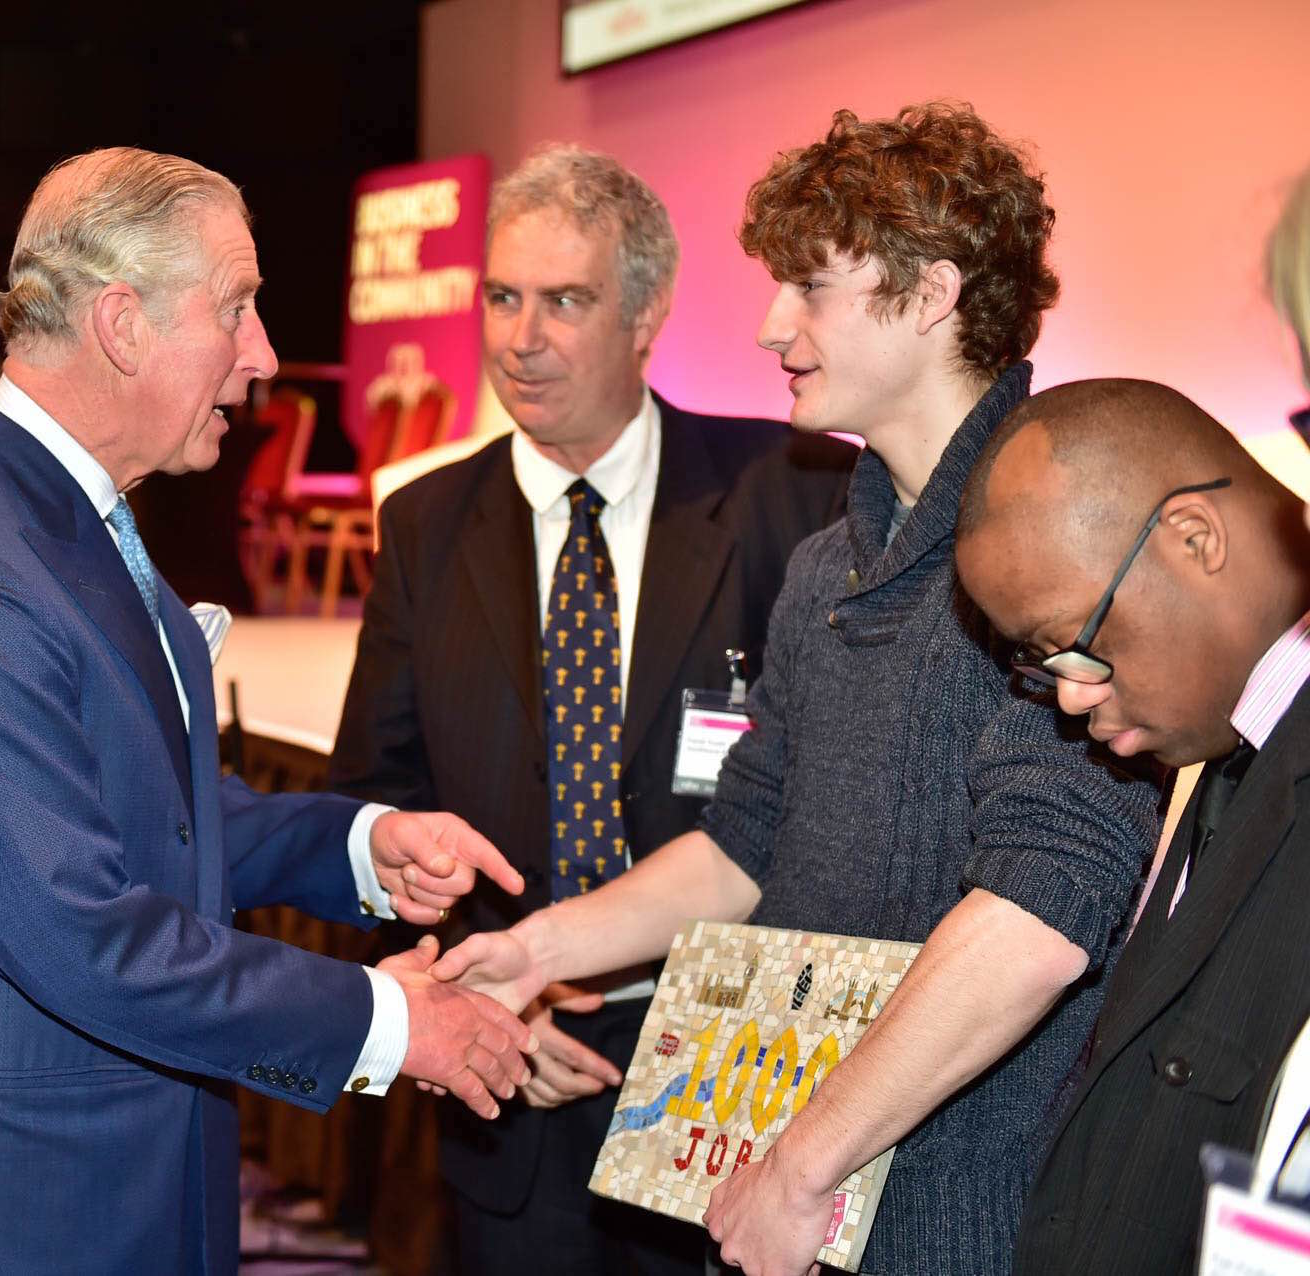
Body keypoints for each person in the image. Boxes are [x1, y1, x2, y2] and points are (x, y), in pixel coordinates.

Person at [430, 104, 1159, 1276]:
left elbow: (1042, 917)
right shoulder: (830, 561)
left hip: (956, 1219)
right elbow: (745, 840)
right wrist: (540, 949)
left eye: (811, 288)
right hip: (803, 1199)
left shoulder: (1066, 539)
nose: (772, 326)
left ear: (928, 296)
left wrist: (805, 1161)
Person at [0, 146, 541, 1275]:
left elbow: (146, 808)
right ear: (122, 323)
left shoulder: (63, 513)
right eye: (237, 305)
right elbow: (85, 931)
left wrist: (353, 844)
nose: (266, 355)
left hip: (110, 1181)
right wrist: (388, 1022)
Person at [327, 143, 852, 1274]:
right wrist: (486, 998)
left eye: (564, 301)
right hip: (507, 1081)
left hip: (734, 1084)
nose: (522, 337)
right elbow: (375, 805)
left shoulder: (791, 493)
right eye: (504, 297)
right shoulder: (424, 524)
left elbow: (821, 808)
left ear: (647, 309)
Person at [951, 304, 1310, 1276]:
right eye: (1040, 664)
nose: (1073, 698)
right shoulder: (1223, 757)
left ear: (1194, 538)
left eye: (1080, 643)